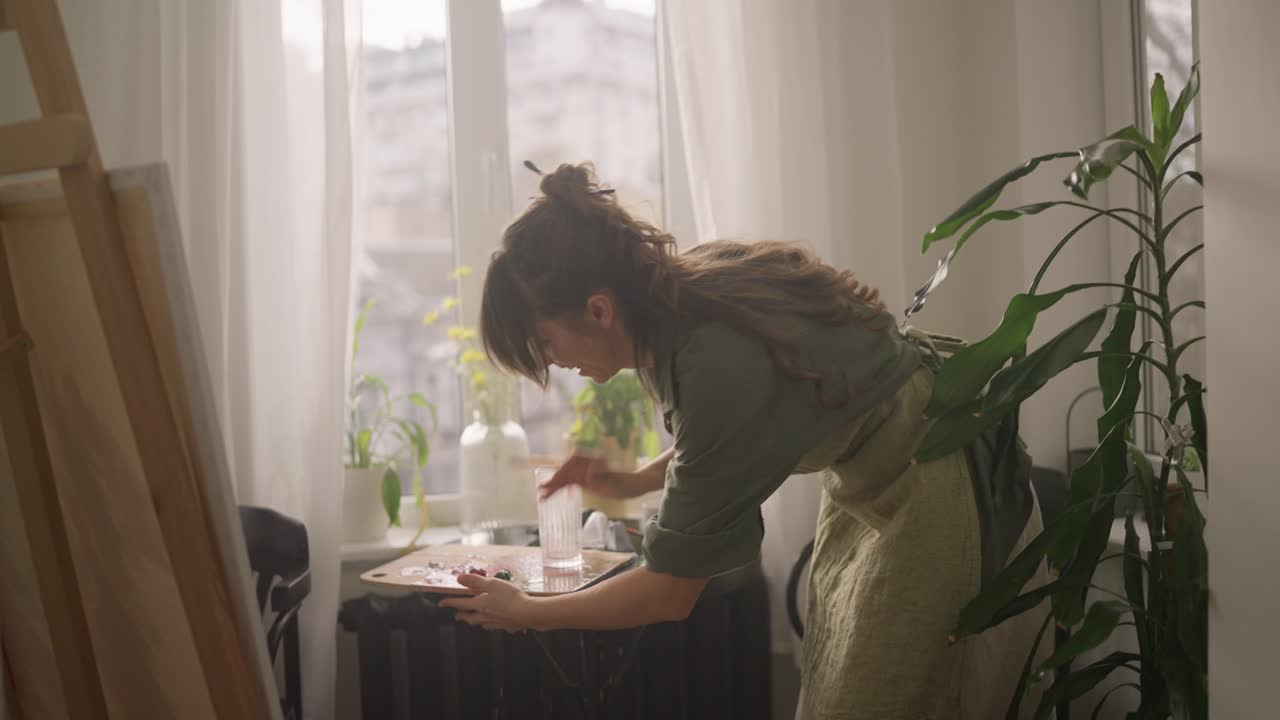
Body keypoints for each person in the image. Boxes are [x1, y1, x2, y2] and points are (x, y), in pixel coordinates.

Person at [439, 162, 1049, 719]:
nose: (554, 367)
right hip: (877, 480)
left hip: (939, 478)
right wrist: (627, 482)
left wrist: (527, 613)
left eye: (546, 347)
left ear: (598, 310)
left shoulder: (707, 354)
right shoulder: (670, 314)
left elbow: (669, 591)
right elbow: (732, 433)